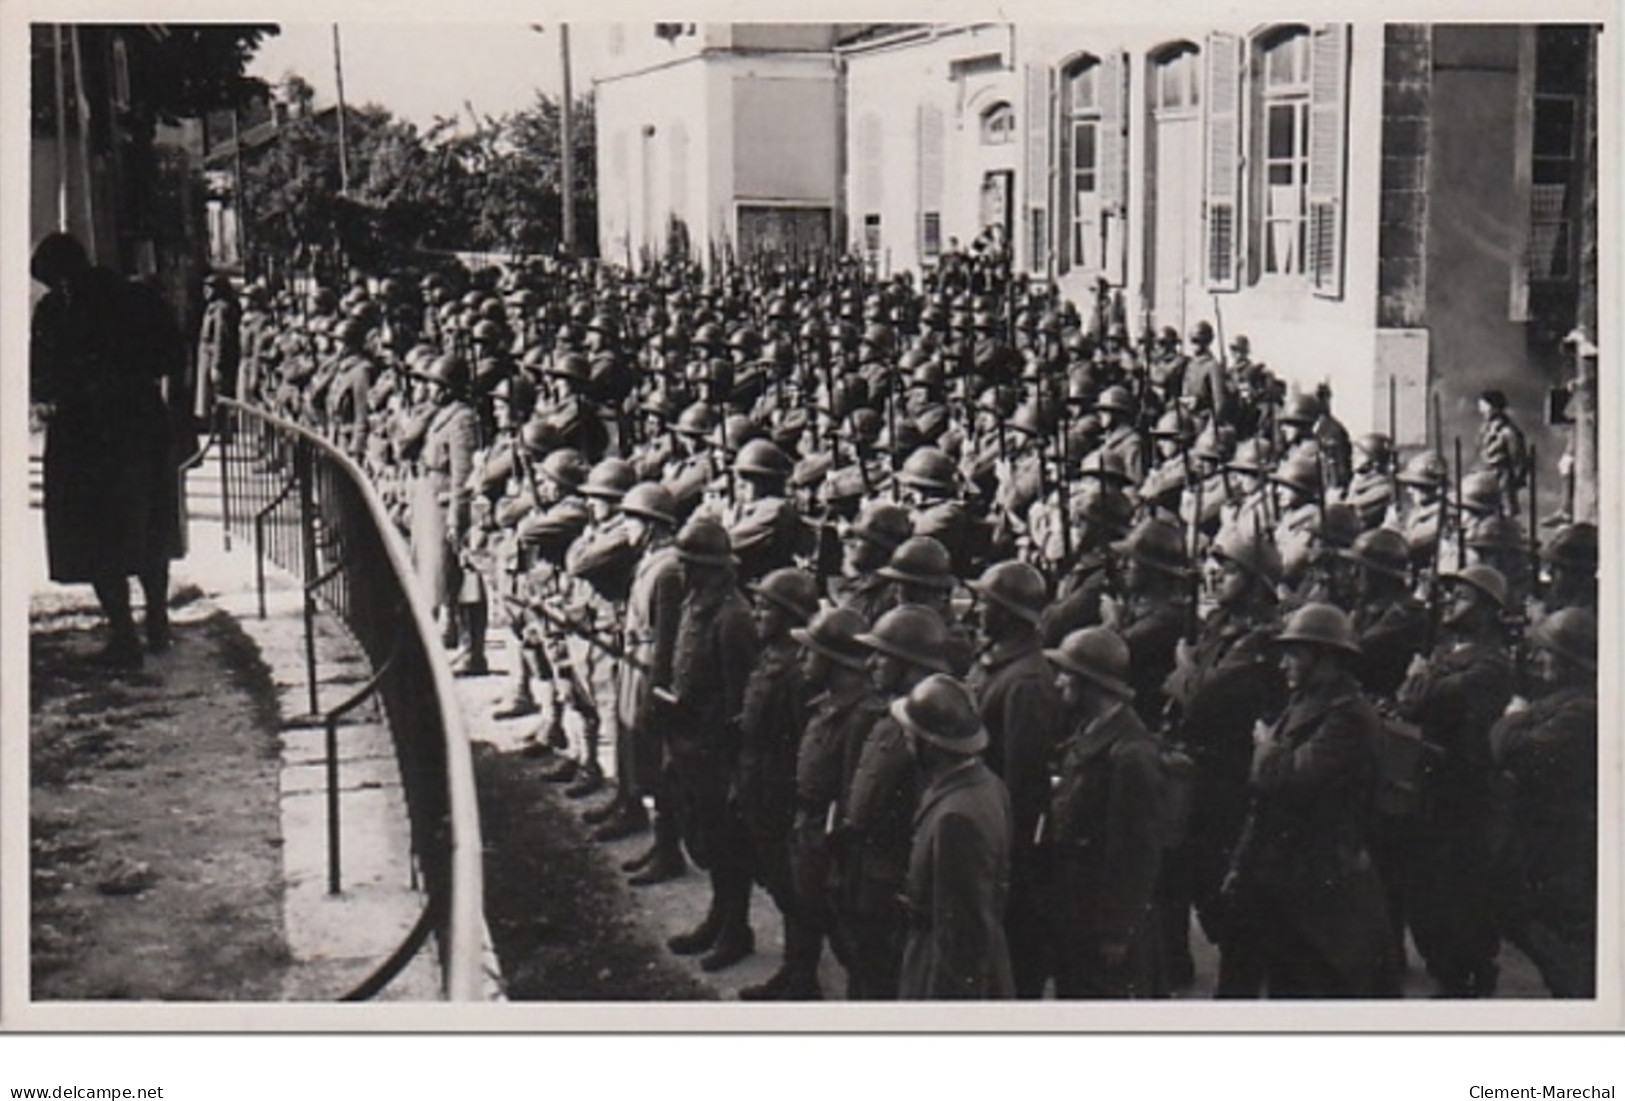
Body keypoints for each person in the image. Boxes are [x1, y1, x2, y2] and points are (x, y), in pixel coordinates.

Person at [1223, 603, 1397, 997]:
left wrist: (1265, 748)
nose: (1284, 664)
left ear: (1326, 658)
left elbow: (1292, 780)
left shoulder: (1349, 716)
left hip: (1320, 886)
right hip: (1285, 875)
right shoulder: (1307, 702)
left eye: (1295, 654)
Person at [30, 232, 185, 668]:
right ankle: (157, 621)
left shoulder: (55, 311)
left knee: (95, 536)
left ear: (58, 277)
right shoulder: (139, 298)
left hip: (85, 436)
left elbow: (40, 378)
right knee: (150, 525)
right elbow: (173, 355)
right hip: (142, 424)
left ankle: (123, 634)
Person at [1395, 565, 1516, 997]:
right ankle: (1450, 970)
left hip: (1465, 789)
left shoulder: (1491, 663)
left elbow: (1420, 701)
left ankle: (1467, 976)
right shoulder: (1448, 652)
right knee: (1426, 891)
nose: (1449, 602)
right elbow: (1411, 702)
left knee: (1457, 892)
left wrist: (1420, 680)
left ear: (1486, 610)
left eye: (1462, 597)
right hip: (1433, 784)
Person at [838, 605, 952, 999]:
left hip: (891, 885)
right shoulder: (887, 714)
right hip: (865, 875)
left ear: (911, 665)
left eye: (883, 655)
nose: (871, 664)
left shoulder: (929, 734)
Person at [1044, 626, 1165, 997]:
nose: (1059, 682)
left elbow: (1135, 852)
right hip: (1076, 910)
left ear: (1090, 683)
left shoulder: (1131, 755)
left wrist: (1117, 931)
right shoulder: (1092, 731)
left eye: (1067, 674)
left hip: (1100, 924)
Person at [663, 519, 760, 971]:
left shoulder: (732, 617)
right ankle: (719, 917)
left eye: (690, 564)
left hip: (716, 752)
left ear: (711, 569)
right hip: (691, 745)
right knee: (708, 841)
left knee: (727, 847)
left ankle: (735, 928)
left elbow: (738, 699)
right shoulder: (697, 603)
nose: (683, 571)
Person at [965, 561, 1063, 998]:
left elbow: (1023, 783)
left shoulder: (1026, 682)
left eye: (984, 602)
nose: (975, 611)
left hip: (1004, 839)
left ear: (1007, 612)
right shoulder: (995, 661)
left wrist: (1003, 848)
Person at [1489, 607, 1597, 998]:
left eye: (1549, 652)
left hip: (1563, 845)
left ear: (1571, 662)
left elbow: (1512, 749)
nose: (1539, 659)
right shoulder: (1565, 702)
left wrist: (1513, 718)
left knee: (1565, 948)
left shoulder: (1582, 710)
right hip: (1546, 840)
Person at [894, 675, 1016, 999]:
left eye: (912, 734)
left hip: (940, 963)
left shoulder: (955, 816)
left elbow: (961, 933)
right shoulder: (985, 784)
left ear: (931, 745)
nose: (906, 740)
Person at [1476, 389, 1528, 517]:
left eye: (1485, 407)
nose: (1482, 411)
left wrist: (1516, 479)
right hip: (1487, 476)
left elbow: (1518, 457)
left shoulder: (1508, 431)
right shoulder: (1485, 428)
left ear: (1495, 408)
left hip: (1503, 477)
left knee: (1506, 513)